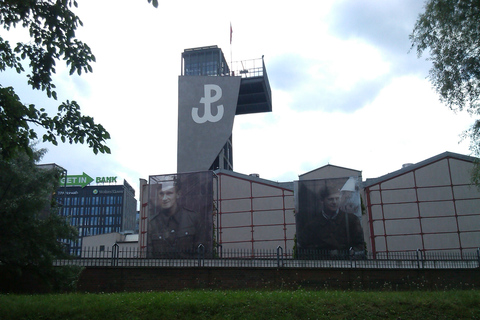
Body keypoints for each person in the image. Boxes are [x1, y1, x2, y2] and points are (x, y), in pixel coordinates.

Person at [298, 183, 364, 258]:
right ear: (322, 201)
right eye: (330, 199)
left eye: (337, 198)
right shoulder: (312, 224)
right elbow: (304, 247)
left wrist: (351, 253)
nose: (334, 202)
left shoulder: (351, 220)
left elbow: (360, 244)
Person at [147, 179, 203, 258]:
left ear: (178, 194)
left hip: (188, 269)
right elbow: (150, 254)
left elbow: (202, 251)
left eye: (169, 193)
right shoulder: (153, 223)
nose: (164, 198)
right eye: (161, 194)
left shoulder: (193, 218)